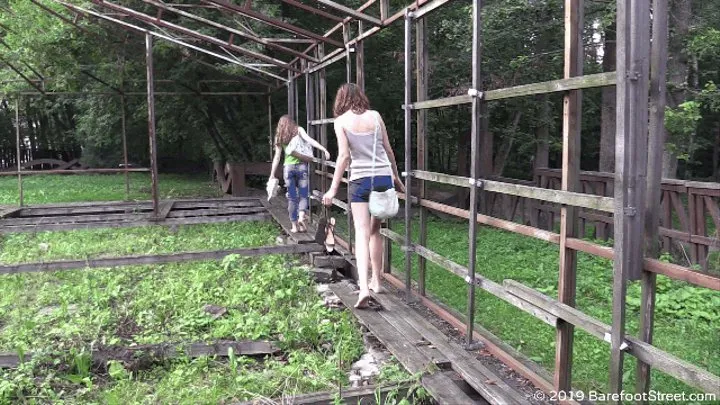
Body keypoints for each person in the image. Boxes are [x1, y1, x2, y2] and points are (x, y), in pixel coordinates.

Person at [322, 84, 405, 309]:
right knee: (376, 231)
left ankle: (364, 288)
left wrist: (332, 188)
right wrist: (396, 177)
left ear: (341, 100)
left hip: (359, 181)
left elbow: (343, 157)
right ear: (361, 97)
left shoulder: (340, 122)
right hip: (382, 178)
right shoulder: (376, 116)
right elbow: (388, 150)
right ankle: (377, 281)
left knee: (361, 231)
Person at [270, 115, 330, 233]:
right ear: (291, 123)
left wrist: (272, 174)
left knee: (292, 197)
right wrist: (323, 149)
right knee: (303, 194)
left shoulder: (279, 136)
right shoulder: (298, 130)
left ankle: (294, 226)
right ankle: (302, 216)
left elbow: (277, 157)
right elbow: (309, 140)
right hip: (302, 167)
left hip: (288, 169)